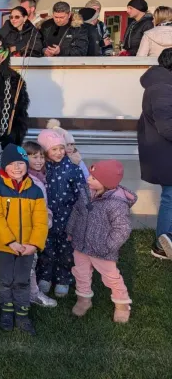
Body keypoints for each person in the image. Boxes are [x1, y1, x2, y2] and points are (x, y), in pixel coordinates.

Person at [0, 144, 48, 336]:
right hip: (5, 246)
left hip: (26, 248)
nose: (17, 167)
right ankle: (6, 311)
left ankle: (22, 314)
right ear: (5, 166)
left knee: (22, 281)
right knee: (5, 281)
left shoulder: (35, 191)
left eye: (21, 163)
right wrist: (10, 242)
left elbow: (41, 221)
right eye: (12, 163)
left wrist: (34, 244)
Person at [67, 160, 135, 324]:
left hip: (102, 250)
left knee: (111, 277)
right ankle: (84, 298)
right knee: (81, 272)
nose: (89, 179)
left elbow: (122, 229)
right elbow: (76, 211)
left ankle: (122, 304)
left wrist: (108, 246)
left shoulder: (117, 204)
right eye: (90, 175)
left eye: (94, 177)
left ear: (106, 183)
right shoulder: (85, 192)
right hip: (80, 244)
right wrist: (70, 230)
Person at [36, 127, 84, 299]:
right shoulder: (41, 169)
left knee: (65, 250)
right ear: (45, 151)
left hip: (67, 217)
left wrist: (80, 215)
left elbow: (81, 193)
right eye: (54, 149)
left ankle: (63, 278)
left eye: (61, 148)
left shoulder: (72, 168)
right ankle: (45, 276)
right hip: (46, 218)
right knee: (46, 248)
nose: (59, 152)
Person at [137, 48, 172, 260]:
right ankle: (161, 244)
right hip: (165, 152)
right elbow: (167, 127)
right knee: (170, 197)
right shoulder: (162, 88)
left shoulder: (161, 84)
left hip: (163, 151)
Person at [23, 141, 57, 308]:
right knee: (30, 262)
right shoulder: (30, 180)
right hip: (30, 229)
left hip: (39, 226)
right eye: (34, 157)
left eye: (41, 156)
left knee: (33, 261)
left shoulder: (39, 175)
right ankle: (32, 294)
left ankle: (31, 291)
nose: (39, 160)